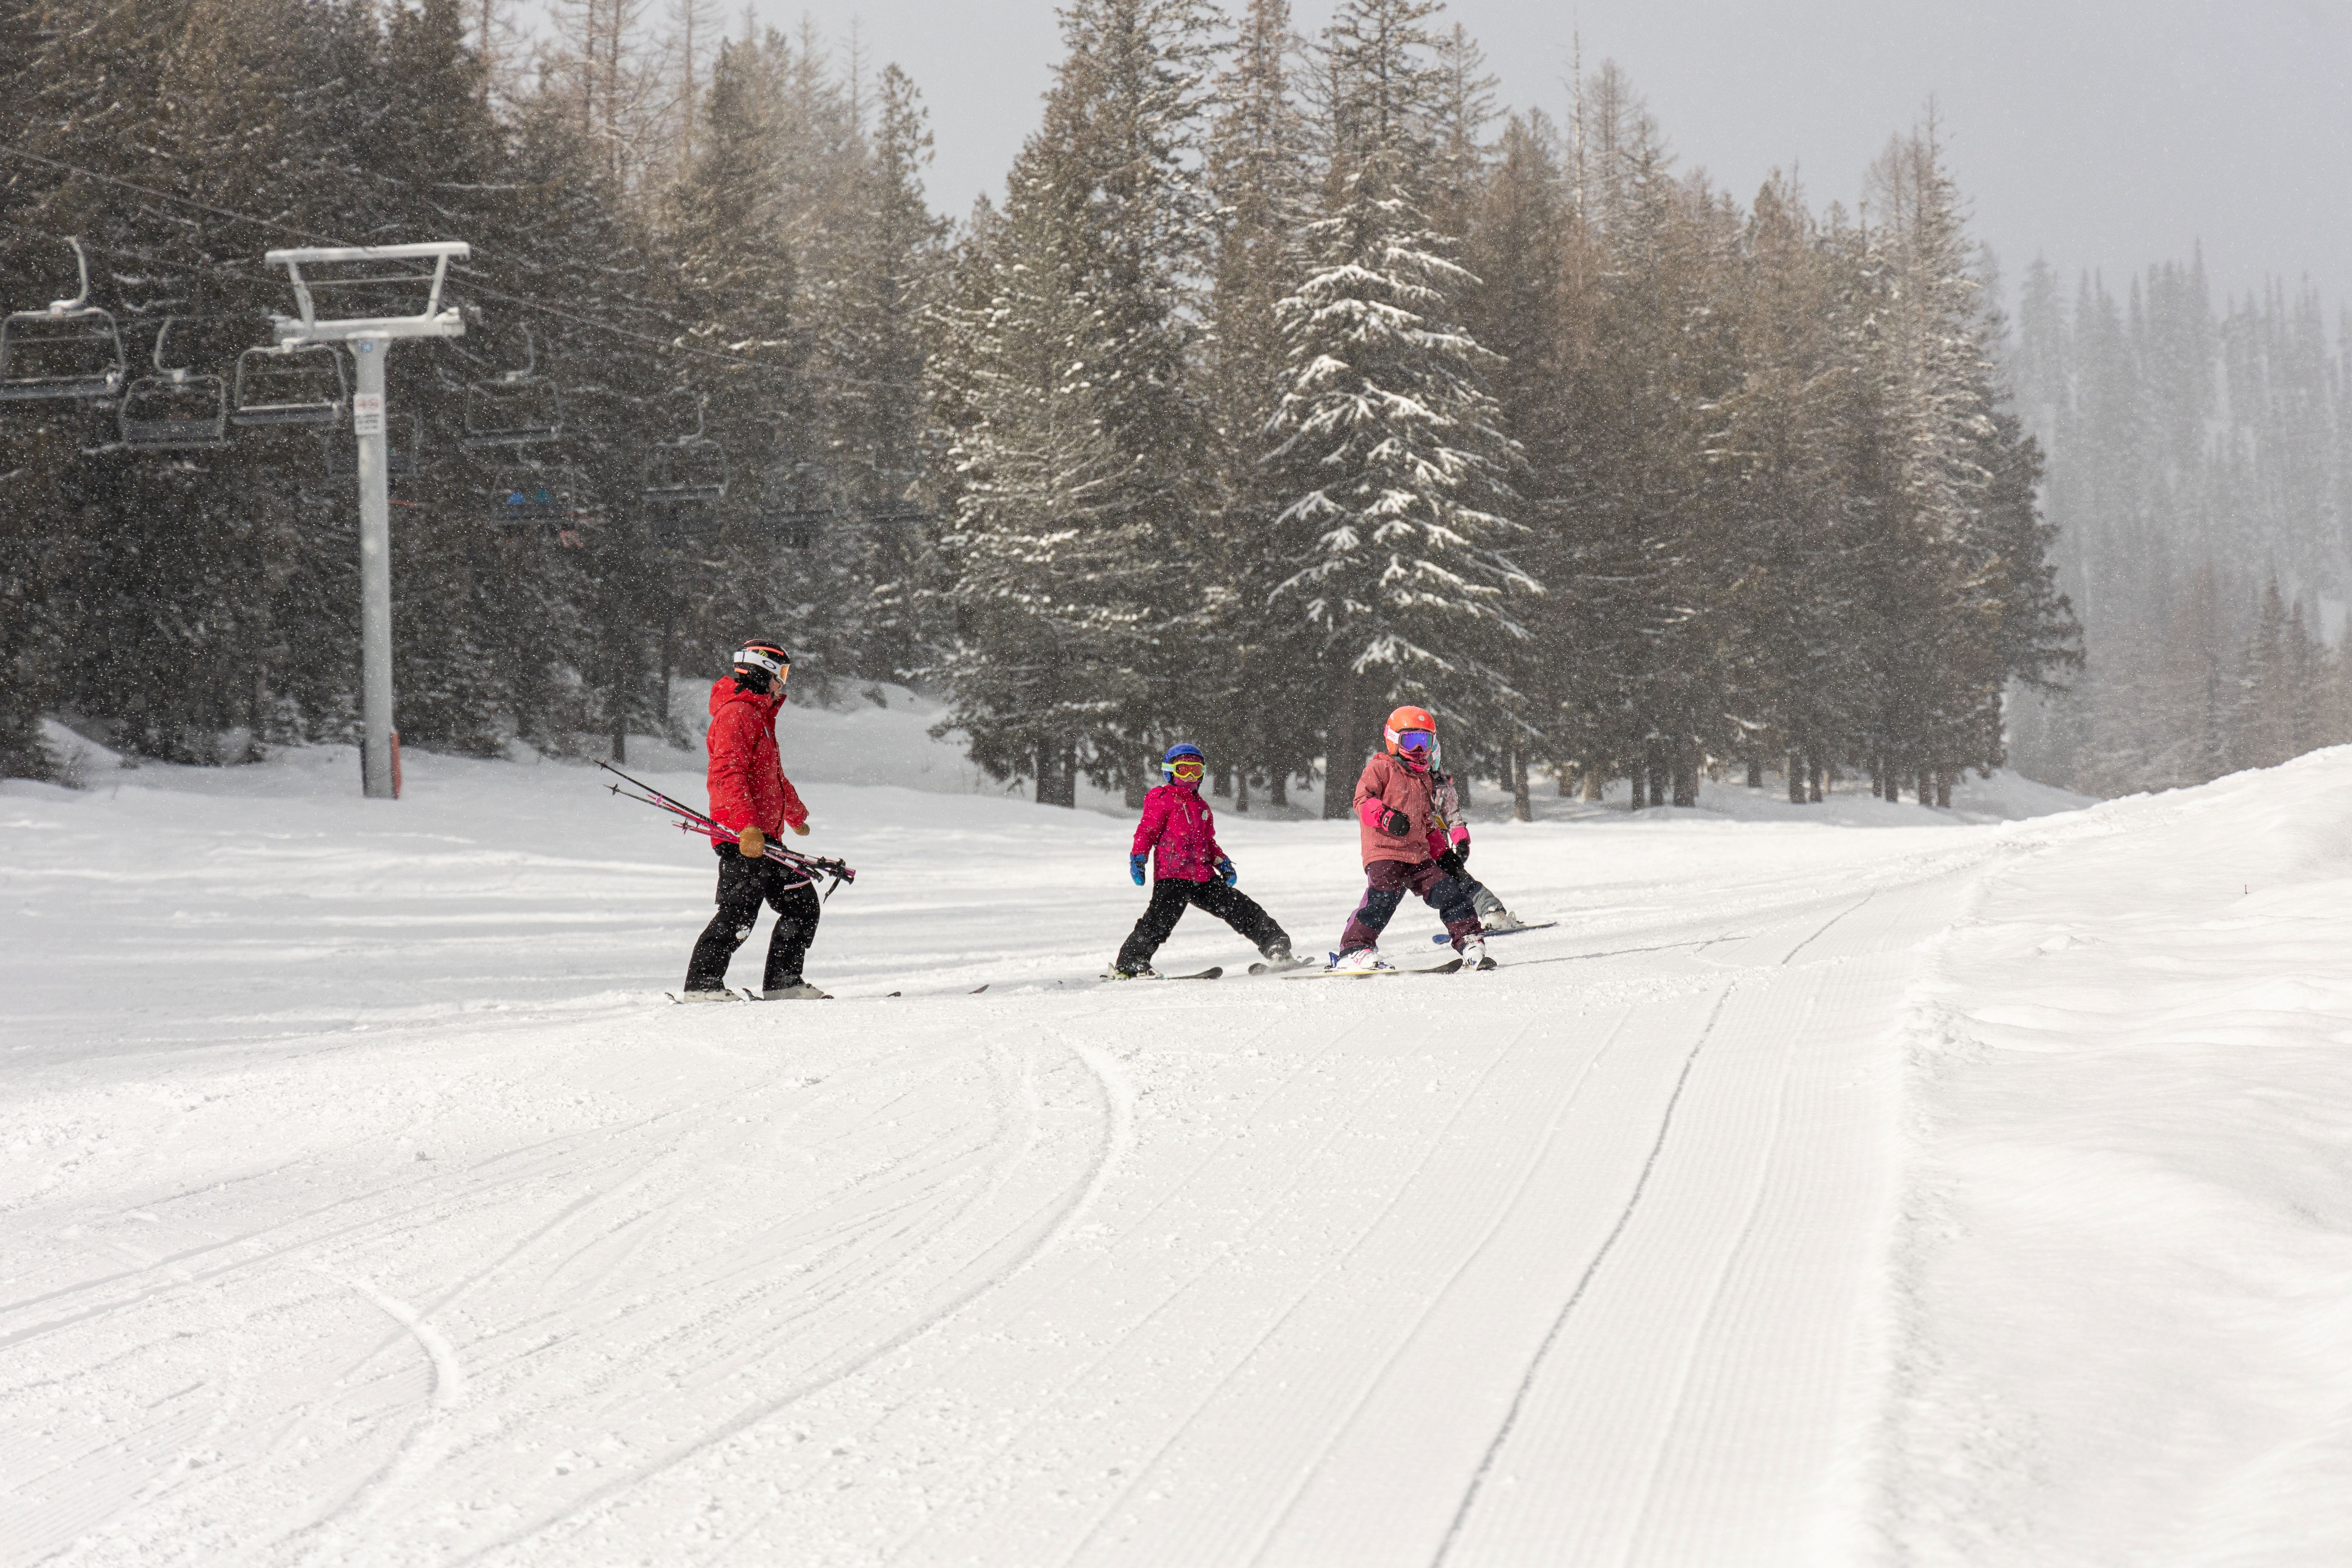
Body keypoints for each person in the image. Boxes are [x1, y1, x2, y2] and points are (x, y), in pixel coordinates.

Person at [679, 639, 831, 1001]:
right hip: (742, 838)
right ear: (763, 672)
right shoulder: (737, 715)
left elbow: (772, 777)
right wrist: (747, 826)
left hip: (766, 838)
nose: (784, 682)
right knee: (738, 913)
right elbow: (728, 774)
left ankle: (784, 983)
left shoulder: (760, 716)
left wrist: (795, 815)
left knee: (802, 903)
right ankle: (702, 986)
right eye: (782, 674)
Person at [1112, 742, 1296, 978]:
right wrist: (1139, 857)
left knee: (1241, 908)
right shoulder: (1161, 798)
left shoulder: (1201, 806)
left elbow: (1207, 842)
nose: (1190, 776)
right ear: (1170, 772)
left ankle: (1276, 946)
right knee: (1158, 922)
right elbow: (1147, 831)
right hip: (1173, 876)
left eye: (1196, 770)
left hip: (1202, 877)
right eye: (1183, 770)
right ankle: (1130, 963)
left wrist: (1222, 862)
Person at [1332, 706, 1488, 973]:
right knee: (1382, 899)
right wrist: (1387, 817)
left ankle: (1470, 942)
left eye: (1424, 742)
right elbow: (1362, 801)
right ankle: (1354, 950)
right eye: (1411, 741)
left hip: (1418, 856)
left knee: (1451, 892)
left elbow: (1427, 824)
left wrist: (1443, 855)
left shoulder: (1424, 778)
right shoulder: (1380, 768)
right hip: (1385, 852)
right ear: (1393, 740)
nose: (1418, 749)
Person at [1426, 740, 1528, 931]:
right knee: (1387, 891)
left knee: (1461, 882)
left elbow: (1453, 817)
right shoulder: (1403, 783)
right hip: (1408, 848)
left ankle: (1493, 912)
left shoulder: (1443, 787)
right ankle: (1365, 933)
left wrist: (1461, 841)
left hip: (1437, 849)